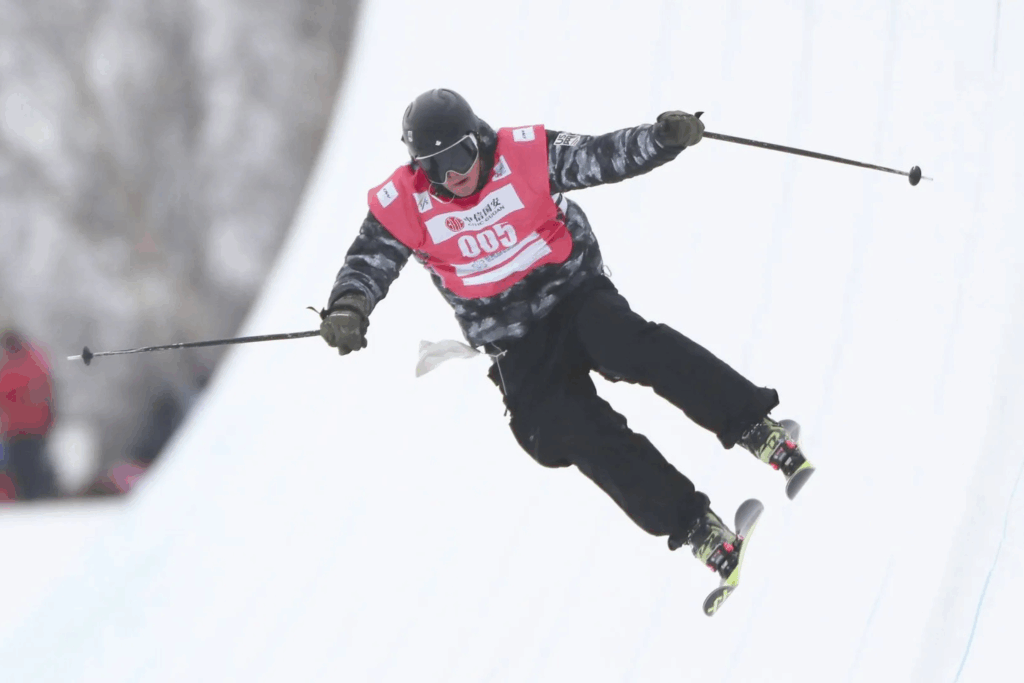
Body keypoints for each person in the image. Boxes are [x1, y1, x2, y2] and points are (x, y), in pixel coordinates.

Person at [319, 89, 814, 578]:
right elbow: (368, 261)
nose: (453, 175)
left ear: (478, 138)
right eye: (435, 166)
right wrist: (349, 308)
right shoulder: (405, 202)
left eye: (460, 155)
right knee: (558, 427)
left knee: (624, 343)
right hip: (512, 340)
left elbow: (600, 156)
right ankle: (694, 527)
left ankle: (753, 425)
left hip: (572, 293)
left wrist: (662, 139)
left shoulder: (522, 155)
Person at [0, 330, 59, 500]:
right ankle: (32, 496)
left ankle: (34, 496)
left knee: (28, 465)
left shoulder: (21, 365)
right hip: (24, 427)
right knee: (25, 465)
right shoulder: (33, 362)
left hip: (28, 427)